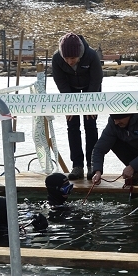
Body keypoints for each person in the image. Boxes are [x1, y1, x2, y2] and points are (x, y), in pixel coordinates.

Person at [52, 32, 103, 181]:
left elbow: (96, 80)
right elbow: (60, 82)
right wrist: (69, 105)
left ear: (80, 55)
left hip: (91, 90)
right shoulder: (57, 58)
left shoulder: (91, 56)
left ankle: (91, 164)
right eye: (66, 58)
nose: (69, 61)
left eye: (72, 58)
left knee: (90, 124)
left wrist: (90, 105)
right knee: (72, 125)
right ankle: (77, 165)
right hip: (70, 90)